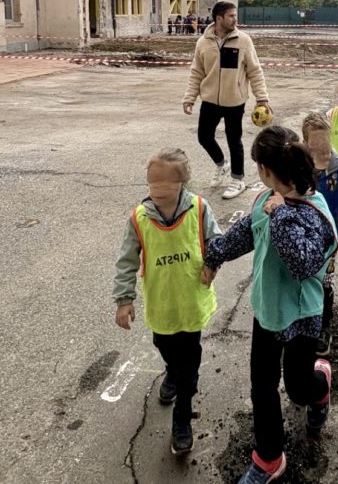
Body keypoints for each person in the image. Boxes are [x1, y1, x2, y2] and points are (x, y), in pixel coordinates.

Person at [202, 125, 337, 484]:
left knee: (296, 388)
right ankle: (269, 456)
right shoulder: (265, 200)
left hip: (301, 316)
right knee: (262, 386)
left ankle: (319, 384)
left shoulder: (312, 211)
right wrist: (213, 255)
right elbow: (246, 232)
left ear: (264, 169)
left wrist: (282, 215)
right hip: (267, 311)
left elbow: (303, 263)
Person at [113, 148, 221, 456]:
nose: (156, 194)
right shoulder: (139, 218)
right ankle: (172, 372)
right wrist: (124, 299)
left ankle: (182, 417)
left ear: (183, 184)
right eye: (151, 186)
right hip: (162, 306)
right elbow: (126, 261)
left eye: (165, 188)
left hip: (192, 304)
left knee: (190, 362)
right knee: (164, 345)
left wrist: (212, 263)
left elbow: (216, 241)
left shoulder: (199, 209)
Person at [183, 2, 272, 200]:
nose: (235, 19)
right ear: (219, 18)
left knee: (234, 140)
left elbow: (255, 71)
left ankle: (238, 179)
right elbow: (197, 72)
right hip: (210, 100)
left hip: (235, 101)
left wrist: (262, 98)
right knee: (204, 137)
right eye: (231, 16)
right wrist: (190, 97)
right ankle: (222, 165)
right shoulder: (203, 42)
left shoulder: (244, 41)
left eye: (235, 15)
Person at [301, 113, 338, 356]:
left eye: (325, 143)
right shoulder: (300, 168)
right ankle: (300, 320)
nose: (321, 150)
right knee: (302, 279)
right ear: (305, 143)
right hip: (302, 236)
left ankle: (324, 326)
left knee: (324, 282)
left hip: (329, 241)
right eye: (315, 145)